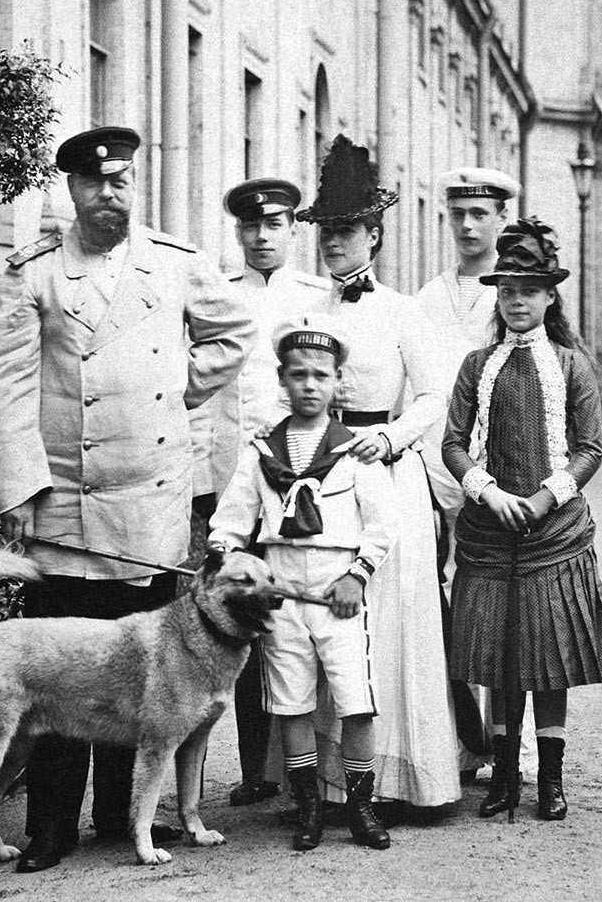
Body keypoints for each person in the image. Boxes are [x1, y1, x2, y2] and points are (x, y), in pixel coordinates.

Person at [0, 125, 255, 872]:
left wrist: (173, 396)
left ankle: (120, 816)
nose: (111, 194)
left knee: (141, 667)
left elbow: (234, 332)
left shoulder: (175, 264)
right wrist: (20, 484)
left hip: (149, 499)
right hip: (63, 497)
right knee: (66, 665)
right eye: (96, 183)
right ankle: (51, 827)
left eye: (123, 180)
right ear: (71, 188)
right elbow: (1, 385)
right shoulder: (34, 272)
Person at [441, 216, 602, 821]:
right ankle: (504, 779)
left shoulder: (573, 366)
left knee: (547, 658)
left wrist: (545, 499)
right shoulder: (477, 364)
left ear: (551, 296)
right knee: (498, 658)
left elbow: (591, 447)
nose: (516, 300)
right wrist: (487, 491)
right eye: (506, 290)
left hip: (555, 532)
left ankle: (550, 779)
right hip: (491, 529)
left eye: (529, 289)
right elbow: (452, 442)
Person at [298, 134, 461, 813]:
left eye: (346, 231)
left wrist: (390, 436)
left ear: (375, 236)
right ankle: (337, 785)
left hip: (387, 473)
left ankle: (399, 780)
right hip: (327, 473)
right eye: (326, 232)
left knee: (388, 620)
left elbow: (432, 397)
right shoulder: (310, 310)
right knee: (333, 619)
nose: (333, 243)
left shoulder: (403, 310)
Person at [208, 318, 396, 851]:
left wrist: (358, 576)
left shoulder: (353, 452)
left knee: (355, 699)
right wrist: (231, 557)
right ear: (282, 381)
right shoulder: (261, 452)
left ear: (338, 382)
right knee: (291, 702)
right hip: (281, 590)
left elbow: (384, 526)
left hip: (338, 590)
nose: (309, 385)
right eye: (298, 375)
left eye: (321, 375)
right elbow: (230, 522)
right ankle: (307, 810)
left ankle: (361, 807)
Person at [191, 178, 328, 807]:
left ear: (294, 229)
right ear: (238, 232)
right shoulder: (216, 296)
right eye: (251, 227)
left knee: (302, 614)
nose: (262, 237)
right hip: (232, 482)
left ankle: (312, 768)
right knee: (240, 616)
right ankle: (256, 769)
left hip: (300, 486)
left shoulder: (317, 297)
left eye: (274, 226)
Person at [414, 167, 518, 796]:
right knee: (442, 606)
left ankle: (515, 743)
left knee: (504, 603)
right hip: (436, 469)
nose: (469, 226)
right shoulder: (428, 298)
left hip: (498, 472)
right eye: (459, 215)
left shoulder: (511, 296)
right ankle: (460, 740)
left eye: (482, 214)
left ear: (502, 219)